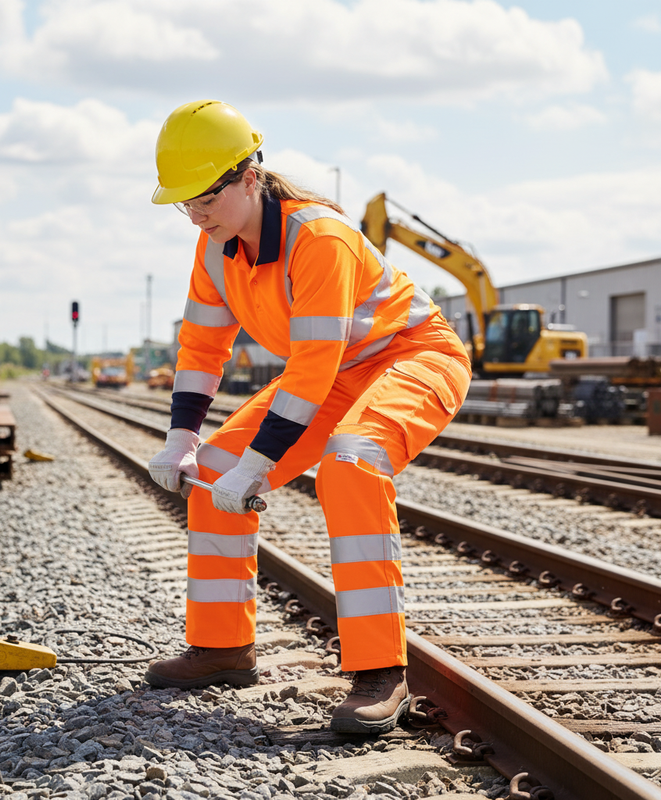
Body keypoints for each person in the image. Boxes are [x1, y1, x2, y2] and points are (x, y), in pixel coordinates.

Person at [145, 99, 472, 734]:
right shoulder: (215, 250)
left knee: (351, 464)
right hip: (332, 372)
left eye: (204, 200)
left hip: (411, 355)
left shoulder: (318, 237)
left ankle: (381, 672)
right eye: (184, 204)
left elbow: (315, 366)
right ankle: (221, 648)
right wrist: (181, 440)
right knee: (213, 469)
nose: (195, 215)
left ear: (247, 177)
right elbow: (203, 350)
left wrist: (260, 466)